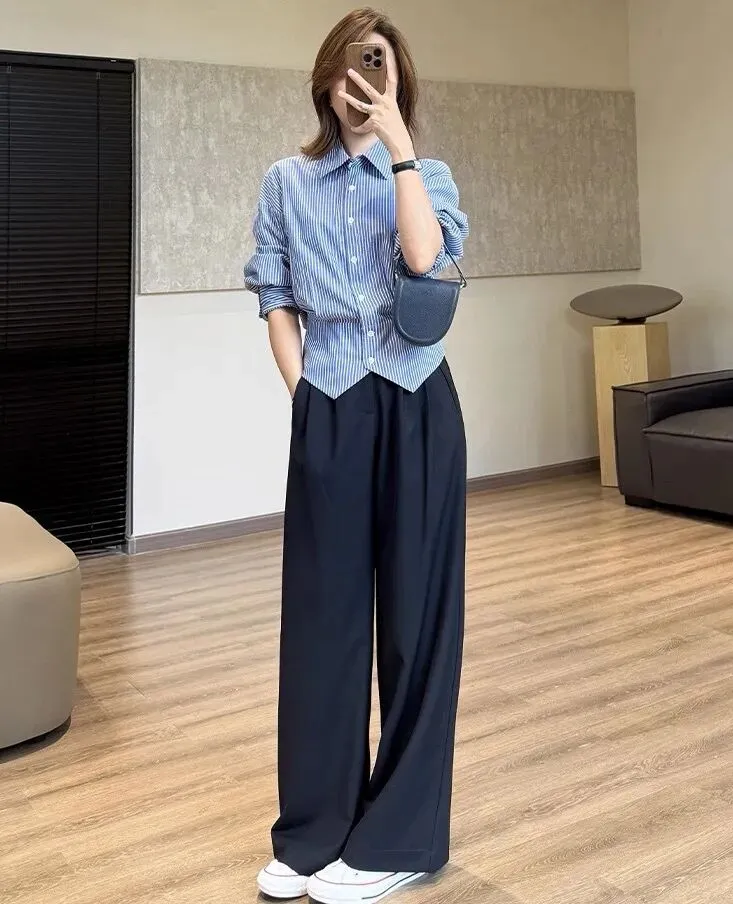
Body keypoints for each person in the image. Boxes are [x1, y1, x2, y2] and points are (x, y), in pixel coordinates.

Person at [244, 7, 469, 903]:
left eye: (376, 68)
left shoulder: (430, 174)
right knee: (322, 625)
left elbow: (423, 260)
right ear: (323, 81)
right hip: (330, 404)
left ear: (398, 81)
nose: (360, 85)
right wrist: (304, 394)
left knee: (416, 624)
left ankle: (400, 838)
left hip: (417, 403)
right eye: (348, 69)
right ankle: (315, 829)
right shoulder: (285, 182)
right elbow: (275, 294)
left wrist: (400, 150)